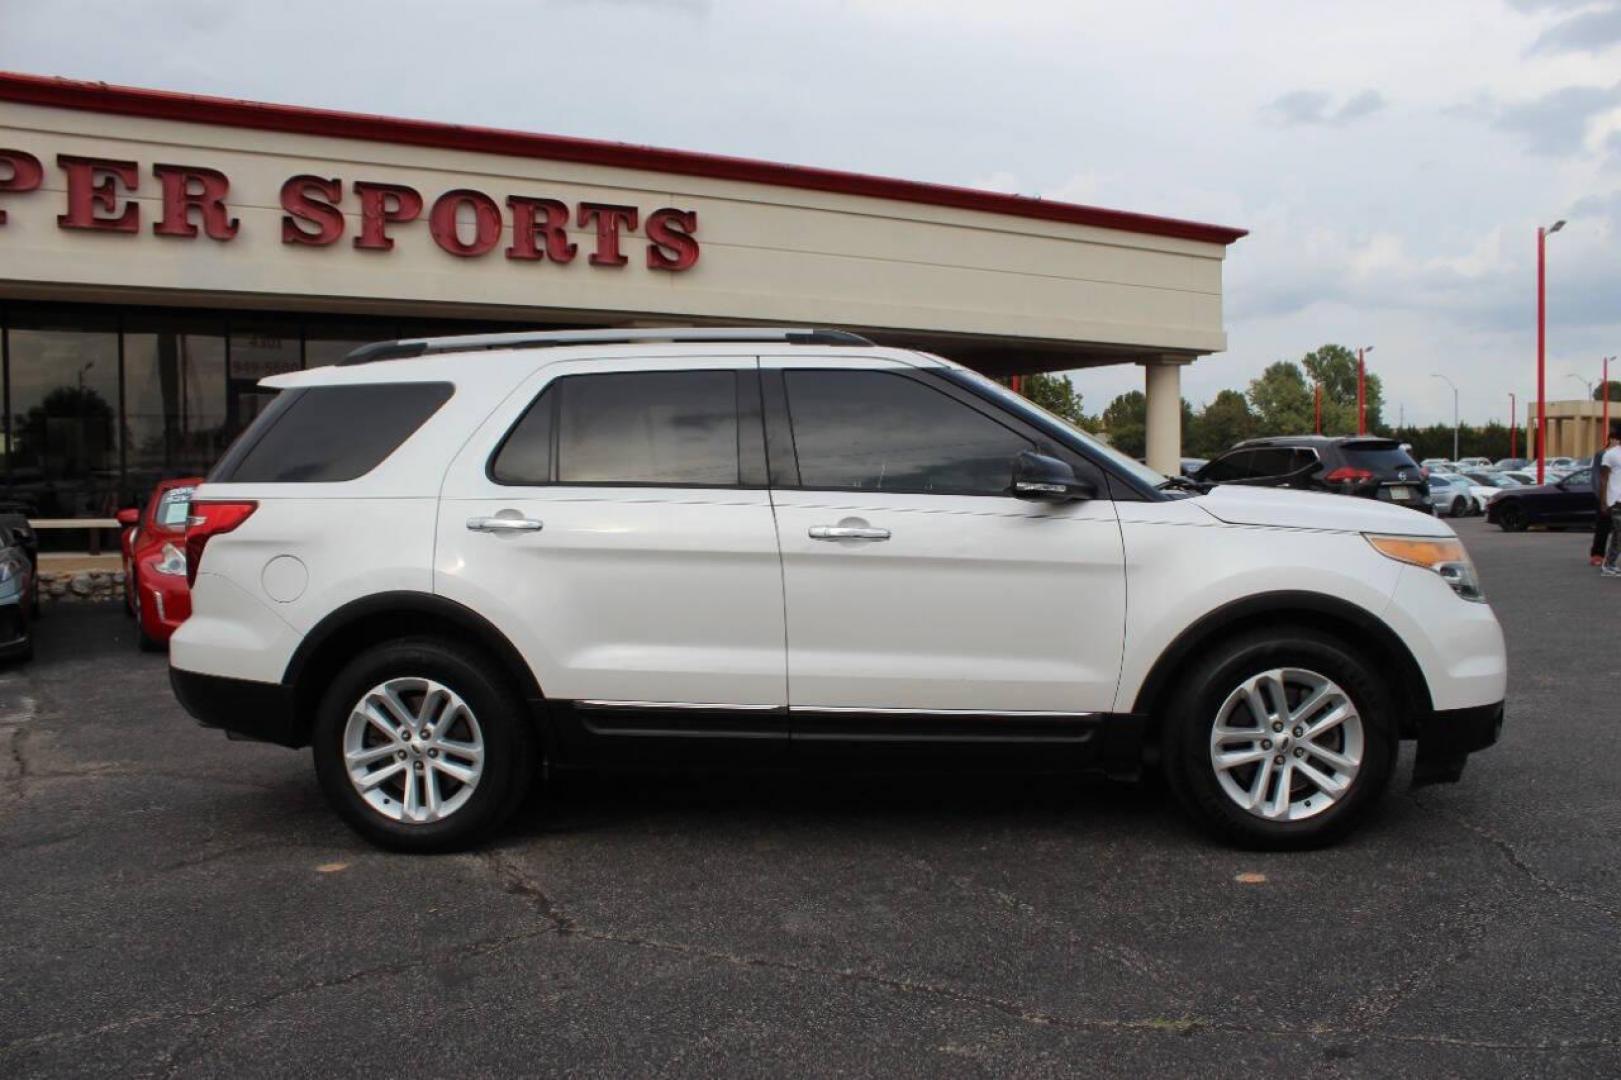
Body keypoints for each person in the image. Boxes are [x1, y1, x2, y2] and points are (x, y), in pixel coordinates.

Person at [1592, 433, 1616, 566]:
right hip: (1606, 496)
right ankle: (1597, 554)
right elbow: (1596, 476)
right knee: (1603, 526)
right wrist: (1601, 496)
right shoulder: (1602, 455)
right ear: (1611, 439)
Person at [1602, 424, 1621, 578]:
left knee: (1617, 534)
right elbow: (1603, 479)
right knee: (1619, 533)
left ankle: (1610, 563)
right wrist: (1603, 501)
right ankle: (1609, 564)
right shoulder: (1611, 454)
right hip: (1615, 501)